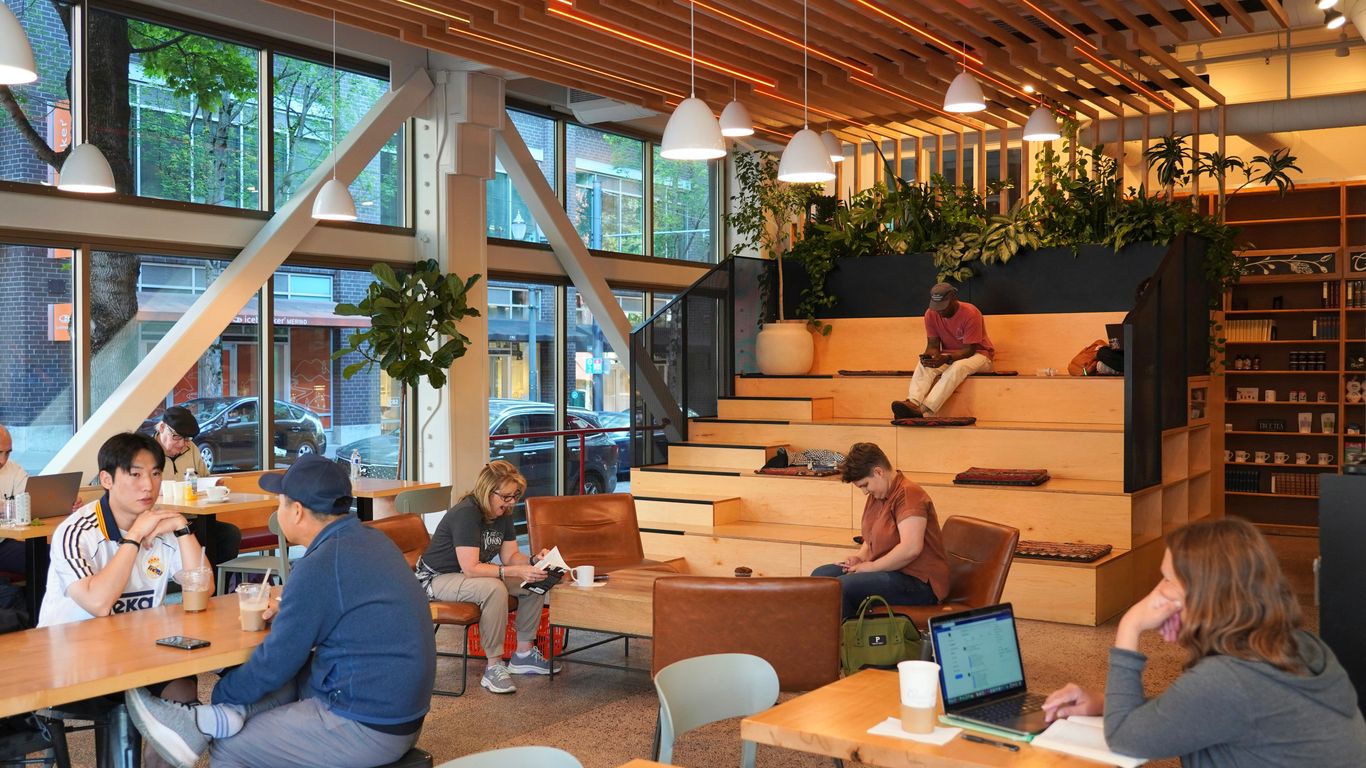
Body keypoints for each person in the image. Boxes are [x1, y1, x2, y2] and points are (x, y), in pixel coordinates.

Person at [125, 454, 436, 768]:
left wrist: (223, 692)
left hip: (366, 724)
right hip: (402, 711)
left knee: (230, 746)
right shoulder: (370, 540)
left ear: (297, 511)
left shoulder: (320, 564)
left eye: (280, 503)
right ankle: (214, 718)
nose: (278, 510)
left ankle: (212, 720)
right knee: (283, 683)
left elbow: (276, 661)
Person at [1042, 518, 1366, 766]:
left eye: (1167, 580)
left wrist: (1130, 626)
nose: (1158, 591)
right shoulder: (1301, 644)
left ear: (1206, 594)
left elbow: (1126, 739)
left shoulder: (1229, 680)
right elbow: (1209, 710)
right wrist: (1104, 703)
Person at [40, 432, 208, 768]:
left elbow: (202, 591)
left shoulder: (162, 525)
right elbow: (99, 603)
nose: (148, 485)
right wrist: (132, 538)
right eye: (135, 474)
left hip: (139, 655)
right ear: (106, 479)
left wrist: (183, 529)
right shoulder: (77, 532)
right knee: (126, 704)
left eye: (156, 473)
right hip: (73, 661)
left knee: (185, 692)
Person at [415, 460, 556, 694]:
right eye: (506, 496)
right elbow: (471, 568)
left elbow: (510, 556)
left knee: (534, 580)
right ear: (487, 491)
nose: (511, 502)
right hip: (436, 578)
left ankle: (523, 653)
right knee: (494, 588)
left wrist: (533, 561)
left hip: (466, 575)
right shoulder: (466, 514)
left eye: (515, 496)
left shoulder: (503, 513)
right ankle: (493, 667)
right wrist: (512, 571)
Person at [810, 442, 948, 619]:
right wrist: (860, 558)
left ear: (878, 472)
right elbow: (870, 539)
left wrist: (871, 567)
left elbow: (911, 548)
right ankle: (828, 640)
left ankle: (851, 643)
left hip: (918, 582)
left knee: (843, 587)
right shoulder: (879, 493)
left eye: (864, 485)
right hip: (890, 571)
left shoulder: (908, 494)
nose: (864, 492)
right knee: (820, 577)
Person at [152, 406, 241, 565]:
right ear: (162, 427)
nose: (181, 445)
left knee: (229, 534)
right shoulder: (146, 452)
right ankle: (204, 585)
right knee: (203, 538)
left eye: (187, 439)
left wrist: (213, 484)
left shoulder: (191, 449)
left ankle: (219, 587)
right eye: (177, 437)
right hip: (161, 521)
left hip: (193, 517)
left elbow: (204, 477)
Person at [892, 283, 995, 419]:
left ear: (953, 299)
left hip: (980, 355)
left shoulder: (971, 313)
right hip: (950, 356)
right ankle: (912, 403)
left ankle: (923, 410)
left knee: (958, 367)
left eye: (943, 307)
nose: (940, 311)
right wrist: (929, 356)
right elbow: (933, 345)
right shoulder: (931, 313)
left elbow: (969, 351)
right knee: (924, 365)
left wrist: (946, 358)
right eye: (936, 307)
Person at [0, 424, 29, 574]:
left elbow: (30, 498)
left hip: (4, 542)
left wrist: (64, 502)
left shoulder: (14, 470)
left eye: (7, 453)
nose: (3, 460)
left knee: (53, 555)